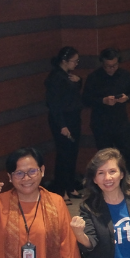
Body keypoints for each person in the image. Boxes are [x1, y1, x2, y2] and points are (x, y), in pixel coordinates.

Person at [83, 48, 130, 170]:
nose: (112, 69)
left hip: (120, 122)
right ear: (102, 63)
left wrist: (126, 98)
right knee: (104, 157)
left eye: (115, 65)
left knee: (127, 153)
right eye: (108, 66)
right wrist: (103, 101)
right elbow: (85, 100)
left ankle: (126, 178)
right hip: (101, 123)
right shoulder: (94, 77)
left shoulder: (125, 75)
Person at [45, 46, 84, 197]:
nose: (76, 64)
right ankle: (61, 190)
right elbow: (54, 104)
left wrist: (79, 81)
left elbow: (73, 94)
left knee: (72, 154)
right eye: (74, 61)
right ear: (64, 61)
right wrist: (62, 125)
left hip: (73, 118)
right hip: (63, 121)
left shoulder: (68, 75)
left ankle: (70, 186)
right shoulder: (55, 78)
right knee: (63, 155)